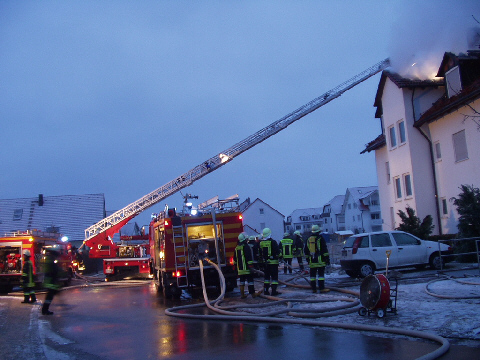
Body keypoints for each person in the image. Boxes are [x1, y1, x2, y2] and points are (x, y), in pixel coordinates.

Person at [234, 232, 261, 298]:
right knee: (250, 281)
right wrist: (251, 266)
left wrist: (236, 268)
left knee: (242, 282)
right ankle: (253, 294)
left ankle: (242, 294)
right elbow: (248, 257)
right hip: (247, 268)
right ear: (244, 239)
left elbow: (235, 259)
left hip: (240, 269)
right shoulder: (246, 247)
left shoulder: (237, 248)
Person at [304, 225, 330, 293]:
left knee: (312, 276)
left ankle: (314, 289)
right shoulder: (320, 238)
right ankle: (321, 288)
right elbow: (324, 249)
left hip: (312, 260)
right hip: (320, 260)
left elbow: (306, 250)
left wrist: (307, 259)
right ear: (318, 231)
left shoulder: (308, 239)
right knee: (321, 275)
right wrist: (327, 259)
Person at [259, 228, 280, 296]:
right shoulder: (273, 242)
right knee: (274, 278)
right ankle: (274, 291)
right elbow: (277, 251)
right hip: (273, 263)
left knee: (266, 278)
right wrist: (279, 256)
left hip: (265, 264)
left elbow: (260, 253)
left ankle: (266, 291)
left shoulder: (261, 243)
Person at [42, 246, 61, 315]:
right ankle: (44, 310)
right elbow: (52, 270)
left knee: (49, 297)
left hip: (51, 281)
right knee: (49, 297)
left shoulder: (50, 258)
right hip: (51, 281)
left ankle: (45, 310)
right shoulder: (50, 259)